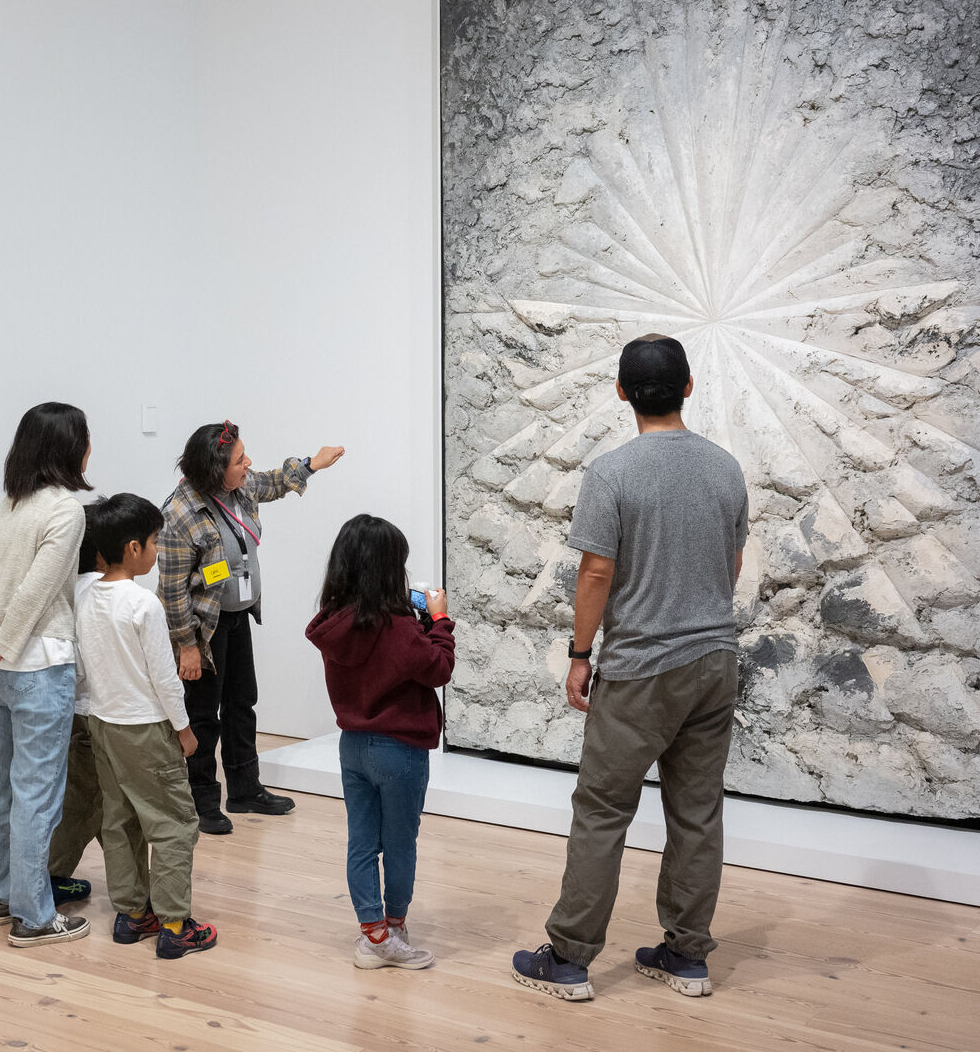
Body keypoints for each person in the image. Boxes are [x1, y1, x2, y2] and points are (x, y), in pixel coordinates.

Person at [512, 335, 749, 1002]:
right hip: (713, 660)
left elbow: (595, 571)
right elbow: (730, 566)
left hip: (641, 667)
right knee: (697, 812)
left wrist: (580, 655)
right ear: (689, 388)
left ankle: (569, 958)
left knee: (602, 811)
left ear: (621, 393)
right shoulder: (726, 469)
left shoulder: (611, 474)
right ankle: (686, 955)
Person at [159, 421, 344, 835]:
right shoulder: (179, 515)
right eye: (240, 459)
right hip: (203, 630)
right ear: (213, 469)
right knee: (203, 715)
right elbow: (171, 593)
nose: (248, 464)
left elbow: (272, 482)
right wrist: (186, 648)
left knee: (243, 703)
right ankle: (201, 799)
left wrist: (313, 464)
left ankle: (244, 789)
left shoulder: (238, 487)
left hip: (238, 615)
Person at [0, 402, 93, 947]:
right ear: (69, 448)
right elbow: (37, 592)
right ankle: (34, 916)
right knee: (36, 794)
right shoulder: (65, 511)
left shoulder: (7, 508)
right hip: (38, 667)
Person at [306, 515, 454, 971]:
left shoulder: (332, 620)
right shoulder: (399, 628)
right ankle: (393, 927)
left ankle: (373, 933)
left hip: (352, 745)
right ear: (389, 569)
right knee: (400, 842)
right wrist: (440, 619)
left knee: (362, 843)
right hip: (400, 749)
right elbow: (439, 668)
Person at [73, 494, 218, 959]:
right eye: (156, 542)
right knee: (174, 822)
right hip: (147, 729)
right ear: (133, 548)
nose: (158, 551)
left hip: (102, 724)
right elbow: (164, 676)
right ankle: (176, 924)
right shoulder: (143, 605)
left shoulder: (84, 595)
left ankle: (132, 915)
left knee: (119, 820)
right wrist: (184, 730)